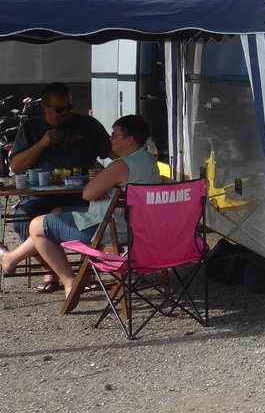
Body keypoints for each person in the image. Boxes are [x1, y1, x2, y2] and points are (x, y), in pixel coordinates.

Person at [0, 114, 158, 302]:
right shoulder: (149, 161)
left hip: (110, 229)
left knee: (36, 225)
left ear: (130, 140)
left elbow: (87, 194)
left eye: (115, 135)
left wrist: (102, 184)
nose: (110, 139)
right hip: (138, 227)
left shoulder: (121, 165)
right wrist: (107, 186)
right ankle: (11, 259)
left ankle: (70, 280)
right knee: (56, 213)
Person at [7, 82, 111, 291]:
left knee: (89, 218)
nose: (66, 113)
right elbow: (16, 166)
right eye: (60, 109)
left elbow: (113, 152)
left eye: (69, 107)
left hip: (80, 193)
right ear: (44, 107)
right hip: (41, 194)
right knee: (23, 221)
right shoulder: (32, 128)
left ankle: (82, 273)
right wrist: (42, 143)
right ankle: (52, 270)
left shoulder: (87, 124)